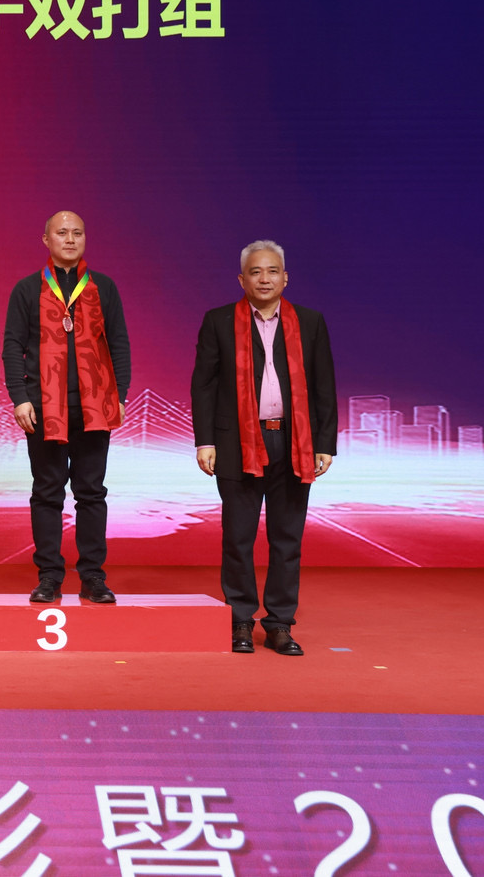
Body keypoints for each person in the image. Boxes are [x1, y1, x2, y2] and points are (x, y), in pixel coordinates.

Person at [190, 240, 336, 656]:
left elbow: (324, 384)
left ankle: (279, 624)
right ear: (242, 279)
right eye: (256, 272)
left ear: (285, 277)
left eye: (272, 271)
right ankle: (240, 620)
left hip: (294, 440)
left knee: (287, 539)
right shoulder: (218, 321)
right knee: (238, 538)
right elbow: (203, 385)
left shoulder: (310, 322)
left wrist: (324, 443)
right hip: (236, 442)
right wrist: (205, 440)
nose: (265, 279)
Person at [2, 211, 130, 604]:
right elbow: (12, 346)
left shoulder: (103, 287)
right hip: (44, 408)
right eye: (62, 233)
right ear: (46, 239)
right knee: (47, 493)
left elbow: (119, 343)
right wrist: (20, 397)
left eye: (77, 233)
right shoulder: (27, 289)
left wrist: (120, 396)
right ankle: (49, 577)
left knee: (91, 493)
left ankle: (93, 577)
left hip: (94, 407)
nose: (70, 239)